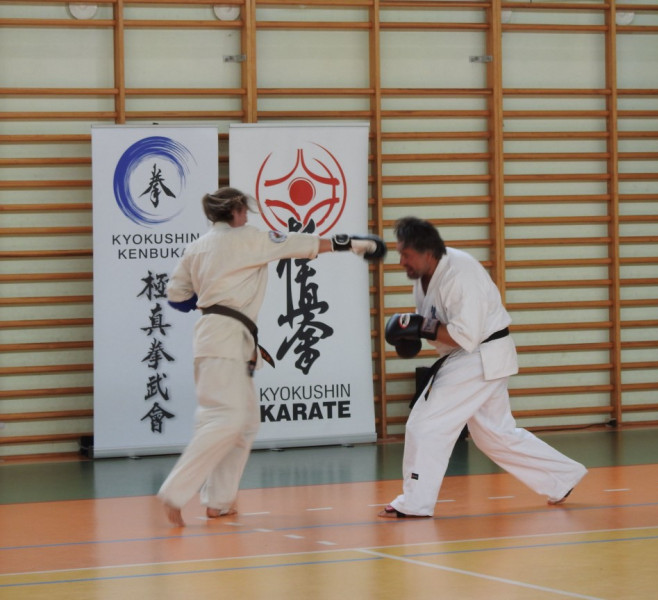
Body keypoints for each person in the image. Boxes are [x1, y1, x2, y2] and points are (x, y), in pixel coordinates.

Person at [158, 186, 385, 527]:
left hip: (215, 336)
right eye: (243, 211)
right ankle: (174, 492)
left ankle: (219, 501)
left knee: (246, 422)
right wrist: (352, 243)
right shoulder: (249, 238)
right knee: (224, 418)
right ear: (235, 212)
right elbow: (300, 243)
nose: (246, 216)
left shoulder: (196, 247)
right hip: (225, 338)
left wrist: (210, 296)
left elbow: (177, 297)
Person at [381, 216, 586, 518]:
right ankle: (562, 477)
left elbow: (465, 336)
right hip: (471, 356)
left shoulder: (460, 274)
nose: (401, 261)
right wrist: (411, 335)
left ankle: (415, 502)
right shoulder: (423, 279)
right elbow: (434, 327)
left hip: (478, 355)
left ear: (427, 252)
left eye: (406, 254)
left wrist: (421, 327)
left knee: (426, 424)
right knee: (495, 435)